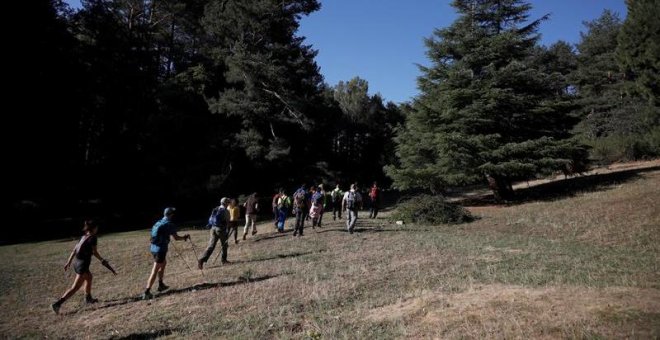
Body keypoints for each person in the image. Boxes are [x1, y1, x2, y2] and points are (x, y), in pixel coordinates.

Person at [51, 220, 109, 314]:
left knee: (89, 277)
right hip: (82, 265)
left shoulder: (83, 237)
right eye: (96, 227)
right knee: (75, 288)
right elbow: (94, 252)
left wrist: (68, 262)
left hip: (77, 263)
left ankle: (88, 298)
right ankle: (57, 304)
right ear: (93, 228)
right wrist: (102, 260)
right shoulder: (93, 238)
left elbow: (74, 250)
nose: (97, 229)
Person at [142, 208, 190, 300]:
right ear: (171, 215)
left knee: (163, 263)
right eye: (173, 214)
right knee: (155, 270)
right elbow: (176, 238)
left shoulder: (158, 222)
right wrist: (184, 238)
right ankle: (146, 292)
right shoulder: (169, 225)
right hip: (160, 250)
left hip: (153, 248)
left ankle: (161, 284)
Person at [198, 198, 230, 269]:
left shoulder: (216, 208)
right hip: (221, 229)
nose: (229, 204)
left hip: (213, 228)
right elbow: (227, 221)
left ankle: (201, 259)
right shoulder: (226, 211)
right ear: (225, 203)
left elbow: (211, 218)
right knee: (224, 244)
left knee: (211, 245)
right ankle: (224, 260)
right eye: (228, 202)